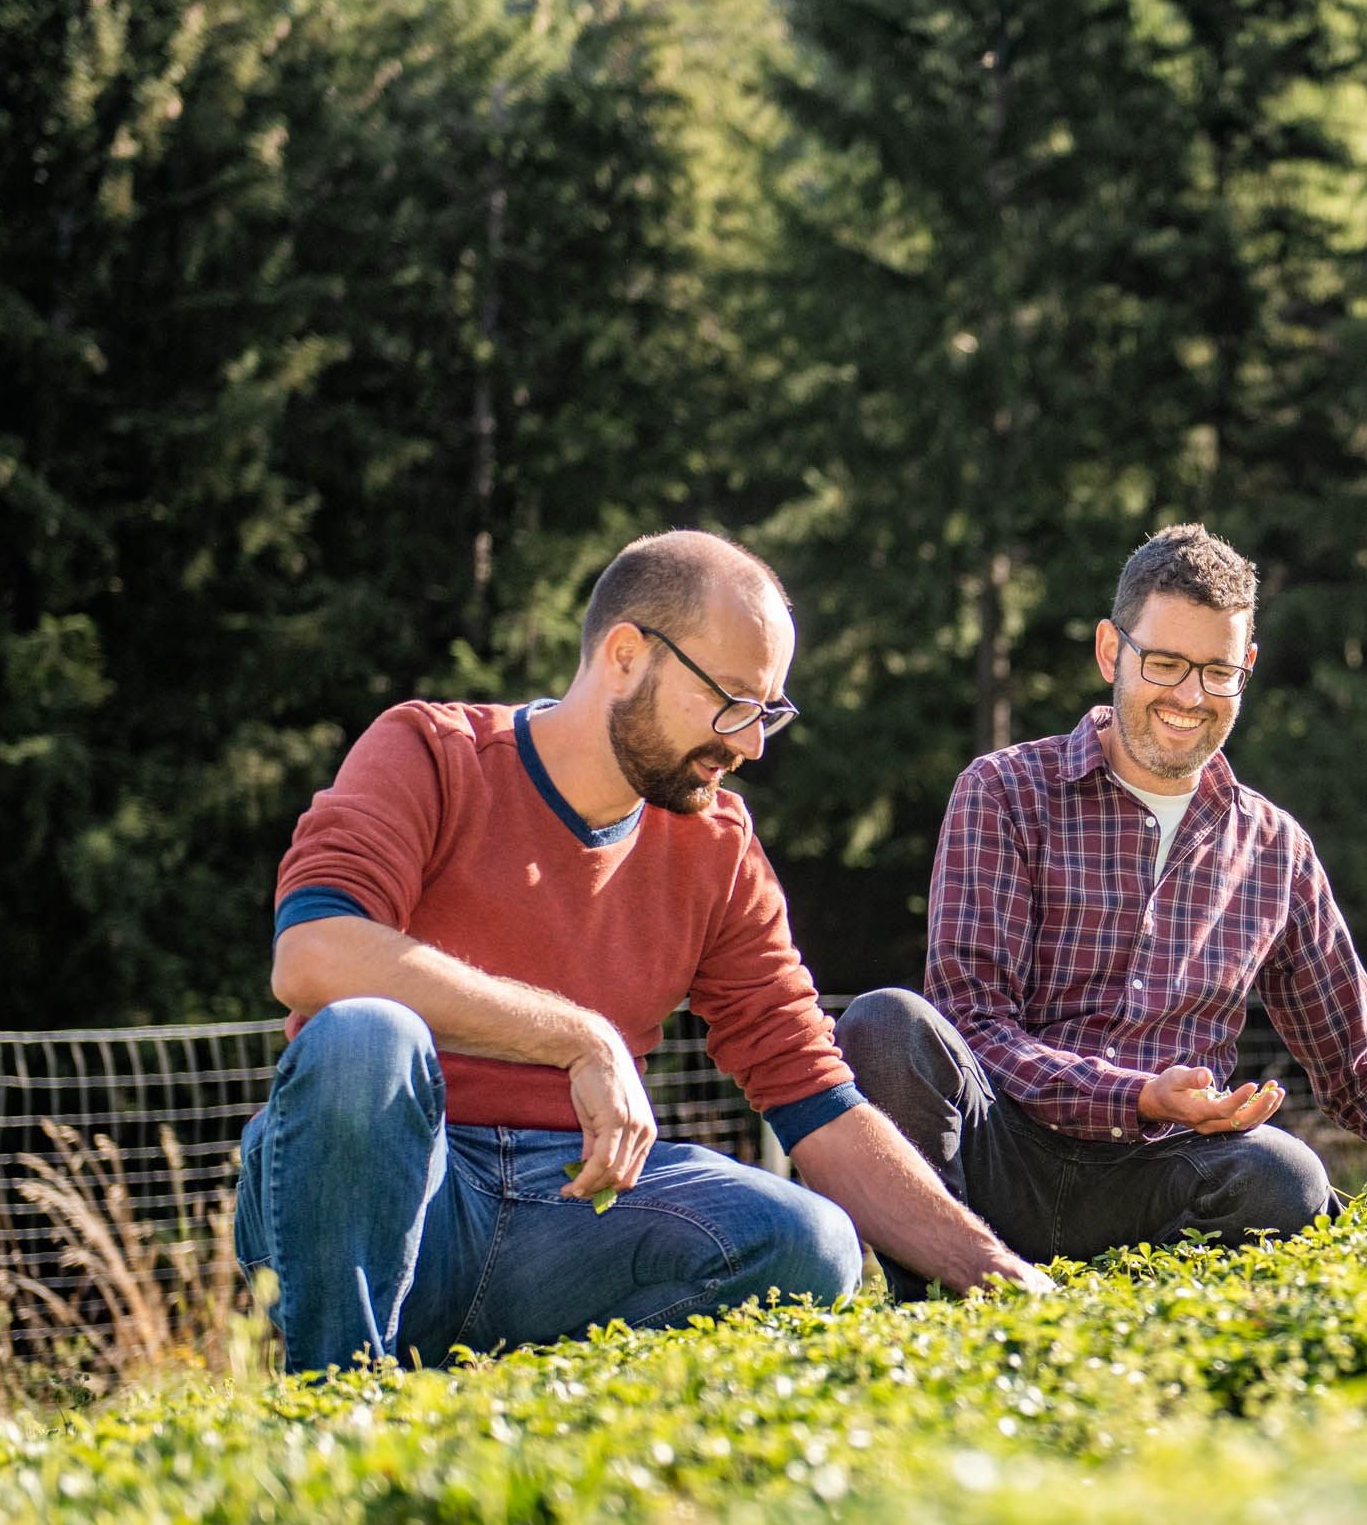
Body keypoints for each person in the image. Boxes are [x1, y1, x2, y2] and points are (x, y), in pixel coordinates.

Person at [241, 530, 1048, 1372]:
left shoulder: (717, 846)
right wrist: (576, 1037)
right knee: (365, 1037)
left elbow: (812, 1093)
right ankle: (335, 1390)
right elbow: (312, 955)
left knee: (813, 1246)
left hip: (572, 1214)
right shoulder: (430, 754)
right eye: (734, 701)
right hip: (395, 1183)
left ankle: (523, 1384)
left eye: (768, 710)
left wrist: (987, 1268)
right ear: (625, 656)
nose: (753, 744)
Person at [841, 523, 1367, 1288]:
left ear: (1246, 668)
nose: (1190, 695)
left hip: (1155, 1182)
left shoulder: (1275, 849)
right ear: (1110, 651)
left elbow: (1361, 1069)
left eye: (1217, 671)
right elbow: (974, 1025)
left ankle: (1148, 1296)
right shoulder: (1004, 792)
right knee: (886, 1026)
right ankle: (945, 1290)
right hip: (1000, 1160)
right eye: (1165, 663)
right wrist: (1137, 1096)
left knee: (1284, 1173)